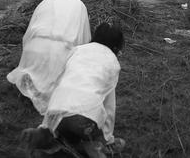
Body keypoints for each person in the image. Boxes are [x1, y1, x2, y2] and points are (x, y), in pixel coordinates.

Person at [20, 23, 126, 158]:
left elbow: (58, 85)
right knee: (92, 145)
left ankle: (46, 137)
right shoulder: (112, 63)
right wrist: (108, 139)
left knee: (66, 131)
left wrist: (45, 124)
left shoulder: (77, 50)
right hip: (83, 118)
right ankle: (97, 148)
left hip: (56, 112)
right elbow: (109, 107)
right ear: (116, 47)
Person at [6, 0, 91, 115]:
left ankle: (33, 85)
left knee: (40, 72)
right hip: (61, 53)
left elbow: (28, 34)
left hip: (34, 51)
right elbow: (84, 40)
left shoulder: (45, 2)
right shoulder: (79, 5)